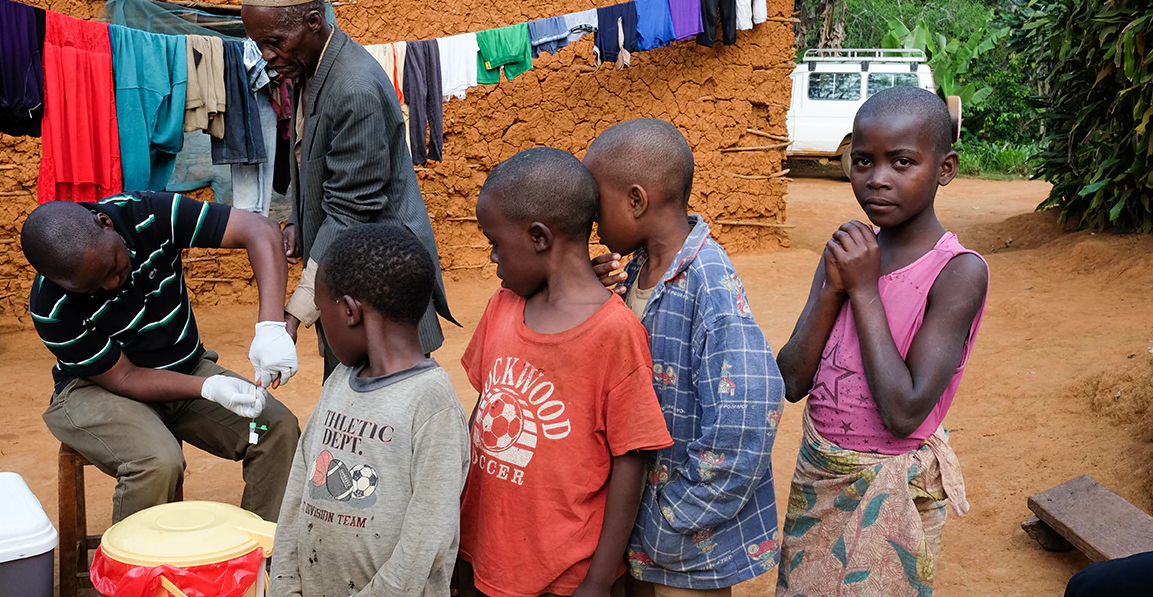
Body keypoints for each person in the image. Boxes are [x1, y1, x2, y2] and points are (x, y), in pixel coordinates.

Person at [774, 86, 989, 595]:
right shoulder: (848, 255)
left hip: (894, 488)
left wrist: (864, 288)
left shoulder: (956, 273)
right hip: (820, 474)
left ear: (945, 168)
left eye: (902, 162)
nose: (877, 180)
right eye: (863, 161)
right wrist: (834, 287)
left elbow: (904, 411)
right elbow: (791, 379)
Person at [457, 148, 673, 597]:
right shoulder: (502, 307)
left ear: (538, 237)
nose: (494, 258)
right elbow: (483, 415)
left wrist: (598, 579)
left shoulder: (615, 332)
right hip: (486, 555)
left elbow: (630, 459)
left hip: (564, 574)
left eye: (495, 243)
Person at [584, 119, 786, 596]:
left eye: (597, 209)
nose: (592, 223)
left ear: (635, 201)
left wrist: (676, 513)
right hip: (642, 529)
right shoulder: (635, 272)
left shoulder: (709, 283)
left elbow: (749, 419)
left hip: (691, 545)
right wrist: (591, 300)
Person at [22, 192, 300, 523]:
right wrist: (207, 388)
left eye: (113, 265)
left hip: (185, 368)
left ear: (106, 223)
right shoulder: (51, 305)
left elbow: (260, 229)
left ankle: (260, 559)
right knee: (156, 462)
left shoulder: (149, 215)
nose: (113, 283)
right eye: (93, 287)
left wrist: (270, 326)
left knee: (276, 428)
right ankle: (133, 573)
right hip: (96, 389)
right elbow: (125, 378)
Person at [239, 0, 457, 380]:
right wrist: (300, 224)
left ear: (314, 21)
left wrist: (292, 316)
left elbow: (352, 209)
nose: (266, 57)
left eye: (274, 42)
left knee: (387, 404)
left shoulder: (353, 88)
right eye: (258, 45)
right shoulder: (312, 70)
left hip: (383, 284)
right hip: (352, 271)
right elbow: (324, 169)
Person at [270, 223, 469, 597]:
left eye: (321, 312)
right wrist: (284, 584)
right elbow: (298, 487)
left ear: (348, 311)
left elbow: (425, 542)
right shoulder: (338, 383)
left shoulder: (432, 404)